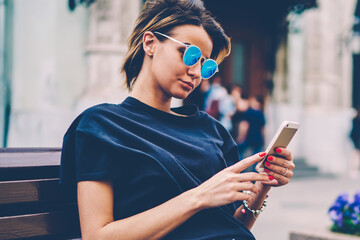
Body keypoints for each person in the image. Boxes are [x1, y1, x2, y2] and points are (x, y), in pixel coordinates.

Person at [59, 0, 295, 239]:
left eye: (205, 65)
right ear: (150, 43)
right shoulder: (102, 125)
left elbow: (228, 226)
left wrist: (262, 188)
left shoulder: (212, 130)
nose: (196, 72)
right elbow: (97, 235)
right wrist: (200, 197)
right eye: (189, 54)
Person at [349, 106, 360, 178]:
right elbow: (353, 133)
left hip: (357, 141)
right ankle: (354, 171)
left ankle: (354, 171)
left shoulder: (355, 120)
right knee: (356, 157)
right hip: (357, 141)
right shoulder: (356, 120)